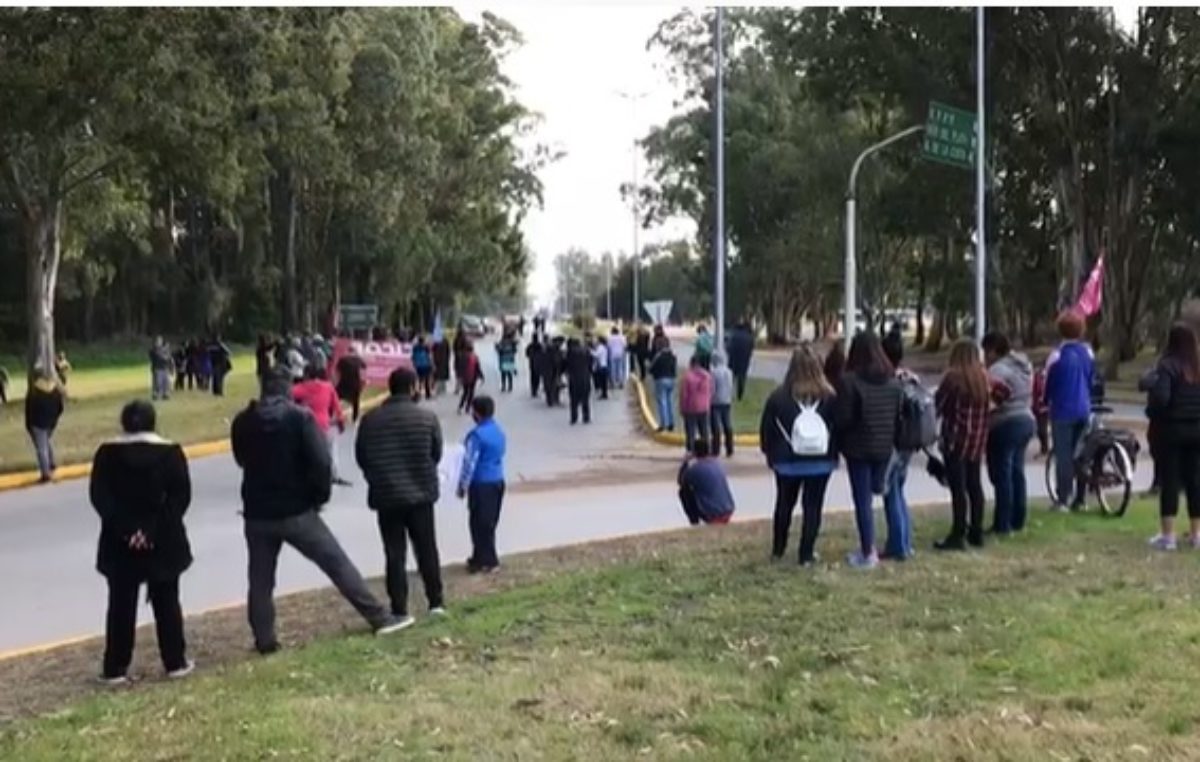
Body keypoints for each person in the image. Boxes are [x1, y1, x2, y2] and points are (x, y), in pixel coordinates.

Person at [232, 369, 408, 654]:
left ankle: (264, 639)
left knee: (260, 579)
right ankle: (379, 617)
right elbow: (321, 463)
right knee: (336, 563)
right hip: (297, 509)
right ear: (289, 390)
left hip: (257, 512)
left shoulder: (242, 422)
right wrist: (318, 496)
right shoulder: (299, 419)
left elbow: (241, 459)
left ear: (262, 389)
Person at [89, 400, 193, 684]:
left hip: (118, 543)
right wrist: (152, 532)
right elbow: (179, 498)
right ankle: (174, 661)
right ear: (153, 421)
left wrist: (128, 531)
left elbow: (101, 498)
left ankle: (115, 667)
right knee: (167, 602)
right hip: (163, 541)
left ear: (123, 423)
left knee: (121, 605)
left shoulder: (107, 454)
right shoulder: (171, 453)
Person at [356, 368, 446, 616]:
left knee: (394, 553)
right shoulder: (426, 418)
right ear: (413, 387)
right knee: (427, 548)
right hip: (421, 494)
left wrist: (378, 478)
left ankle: (399, 608)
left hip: (386, 497)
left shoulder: (371, 420)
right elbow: (436, 454)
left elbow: (362, 456)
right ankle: (435, 601)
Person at [761, 345, 837, 563]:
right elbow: (839, 427)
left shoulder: (778, 397)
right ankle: (806, 553)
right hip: (821, 462)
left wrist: (770, 454)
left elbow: (767, 429)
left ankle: (778, 549)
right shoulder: (830, 397)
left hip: (787, 461)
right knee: (813, 507)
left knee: (784, 504)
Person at [934, 339, 1011, 551]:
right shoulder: (983, 377)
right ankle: (976, 531)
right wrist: (991, 405)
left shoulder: (952, 378)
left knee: (958, 489)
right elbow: (1005, 391)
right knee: (974, 486)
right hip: (977, 440)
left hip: (956, 439)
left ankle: (958, 534)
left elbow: (938, 405)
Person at [834, 332, 901, 569]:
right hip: (884, 447)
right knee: (887, 495)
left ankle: (868, 550)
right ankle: (898, 543)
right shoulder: (893, 382)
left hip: (858, 448)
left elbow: (843, 418)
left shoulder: (849, 381)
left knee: (862, 501)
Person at [1146, 324, 1200, 550]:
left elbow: (1161, 399)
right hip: (1197, 431)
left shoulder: (1167, 366)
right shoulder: (1197, 367)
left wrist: (1152, 412)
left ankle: (1168, 535)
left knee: (1170, 481)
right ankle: (1197, 535)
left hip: (1171, 431)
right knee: (1196, 481)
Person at [982, 331, 1036, 535]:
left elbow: (992, 400)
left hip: (1005, 422)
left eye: (987, 352)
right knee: (1017, 472)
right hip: (1026, 419)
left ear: (994, 350)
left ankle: (1002, 523)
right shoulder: (1023, 366)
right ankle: (1018, 519)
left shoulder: (997, 370)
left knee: (1002, 475)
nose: (985, 357)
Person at [1045, 310, 1096, 511]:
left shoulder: (1056, 356)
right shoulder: (1087, 353)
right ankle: (1081, 499)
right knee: (1081, 454)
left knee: (1064, 456)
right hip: (1084, 407)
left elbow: (1048, 385)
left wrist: (1045, 402)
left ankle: (1063, 498)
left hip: (1062, 411)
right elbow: (1092, 378)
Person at [457, 395, 507, 573]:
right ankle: (480, 556)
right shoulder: (498, 431)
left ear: (476, 413)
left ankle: (487, 560)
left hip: (481, 483)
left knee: (479, 523)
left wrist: (463, 485)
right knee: (489, 522)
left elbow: (470, 461)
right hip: (497, 481)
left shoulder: (476, 435)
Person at [880, 331, 917, 560]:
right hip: (910, 442)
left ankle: (898, 546)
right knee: (899, 492)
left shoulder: (889, 382)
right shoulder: (910, 378)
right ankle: (904, 541)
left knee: (891, 493)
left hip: (893, 441)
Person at [293, 365, 350, 486]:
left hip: (308, 425)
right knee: (331, 450)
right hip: (326, 424)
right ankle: (333, 474)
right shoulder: (328, 387)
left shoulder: (301, 388)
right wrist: (340, 422)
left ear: (306, 375)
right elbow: (337, 407)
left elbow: (288, 396)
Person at [677, 439, 735, 526]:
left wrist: (685, 462)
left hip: (713, 514)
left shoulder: (695, 469)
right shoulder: (717, 463)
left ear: (695, 452)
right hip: (728, 509)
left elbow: (680, 481)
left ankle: (694, 522)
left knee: (683, 492)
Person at [25, 371, 65, 483]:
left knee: (41, 448)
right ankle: (51, 463)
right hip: (50, 422)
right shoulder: (55, 391)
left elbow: (29, 410)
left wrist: (29, 424)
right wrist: (54, 420)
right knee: (46, 442)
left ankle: (45, 473)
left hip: (37, 423)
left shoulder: (34, 392)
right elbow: (60, 408)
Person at [680, 355, 713, 451]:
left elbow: (684, 395)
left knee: (690, 431)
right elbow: (711, 390)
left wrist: (682, 408)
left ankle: (691, 450)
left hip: (691, 407)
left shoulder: (687, 377)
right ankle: (707, 450)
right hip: (704, 407)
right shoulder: (707, 376)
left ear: (691, 363)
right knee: (705, 430)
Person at [649, 338, 678, 432]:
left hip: (660, 379)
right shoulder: (673, 355)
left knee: (662, 402)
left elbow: (651, 368)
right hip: (671, 379)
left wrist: (653, 373)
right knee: (670, 401)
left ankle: (663, 424)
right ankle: (671, 423)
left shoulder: (658, 356)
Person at [709, 352, 735, 457]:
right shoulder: (729, 372)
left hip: (715, 402)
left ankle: (716, 449)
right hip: (727, 401)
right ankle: (730, 448)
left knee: (716, 427)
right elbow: (730, 386)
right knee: (727, 425)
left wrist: (710, 398)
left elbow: (712, 388)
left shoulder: (713, 373)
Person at [335, 346, 367, 422]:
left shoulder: (343, 360)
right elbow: (364, 368)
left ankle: (330, 413)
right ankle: (355, 418)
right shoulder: (358, 360)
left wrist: (336, 381)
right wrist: (363, 381)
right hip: (355, 384)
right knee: (356, 402)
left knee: (335, 397)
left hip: (343, 383)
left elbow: (337, 371)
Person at [565, 337, 593, 425]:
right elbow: (591, 363)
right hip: (585, 377)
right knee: (585, 399)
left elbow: (567, 365)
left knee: (573, 400)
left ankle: (574, 418)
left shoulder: (570, 352)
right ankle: (586, 417)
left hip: (574, 378)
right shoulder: (587, 351)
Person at [727, 321, 755, 401]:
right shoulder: (750, 337)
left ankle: (728, 393)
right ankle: (740, 395)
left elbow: (728, 347)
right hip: (744, 360)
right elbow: (751, 349)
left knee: (731, 377)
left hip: (733, 359)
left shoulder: (734, 335)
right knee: (742, 378)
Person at [457, 341, 484, 414]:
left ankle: (460, 407)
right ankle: (467, 408)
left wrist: (459, 376)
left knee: (465, 392)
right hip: (473, 377)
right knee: (471, 393)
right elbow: (478, 367)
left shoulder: (462, 356)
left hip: (465, 377)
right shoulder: (475, 357)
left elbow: (460, 368)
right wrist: (481, 376)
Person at [149, 336, 172, 401]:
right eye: (157, 341)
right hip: (157, 368)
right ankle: (155, 394)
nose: (159, 342)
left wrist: (166, 350)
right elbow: (159, 356)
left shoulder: (165, 350)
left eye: (160, 341)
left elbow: (168, 357)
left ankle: (165, 393)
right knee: (157, 382)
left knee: (166, 382)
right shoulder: (153, 350)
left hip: (165, 368)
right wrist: (164, 349)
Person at [412, 335, 434, 399]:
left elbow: (413, 357)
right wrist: (432, 364)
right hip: (426, 365)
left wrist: (414, 364)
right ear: (424, 341)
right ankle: (428, 394)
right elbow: (429, 357)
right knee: (427, 380)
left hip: (418, 366)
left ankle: (417, 394)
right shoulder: (426, 347)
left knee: (419, 380)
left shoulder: (415, 348)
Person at [590, 335, 609, 400]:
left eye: (596, 340)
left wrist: (590, 351)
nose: (595, 341)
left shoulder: (601, 347)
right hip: (604, 365)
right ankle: (604, 394)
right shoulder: (604, 347)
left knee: (602, 381)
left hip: (601, 366)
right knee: (604, 381)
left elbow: (596, 355)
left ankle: (603, 394)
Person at [526, 333, 544, 399]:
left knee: (533, 376)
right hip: (538, 364)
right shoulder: (539, 346)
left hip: (532, 363)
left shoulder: (530, 346)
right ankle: (535, 389)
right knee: (537, 377)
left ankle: (533, 390)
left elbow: (527, 354)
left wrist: (531, 357)